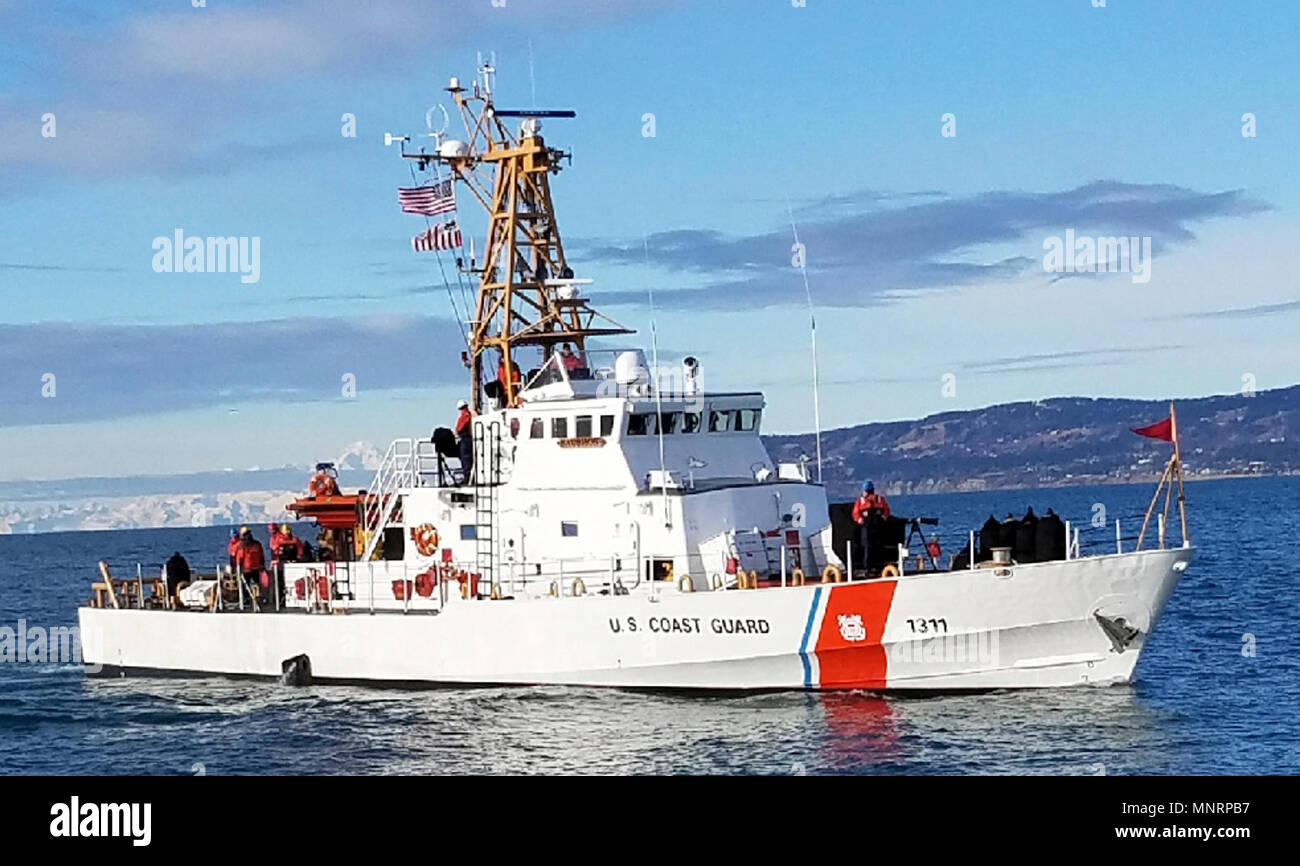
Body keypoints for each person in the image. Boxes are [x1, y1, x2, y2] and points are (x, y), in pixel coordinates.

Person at [852, 481, 891, 574]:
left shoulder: (878, 500)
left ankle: (875, 568)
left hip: (876, 526)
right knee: (868, 548)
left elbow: (886, 511)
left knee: (875, 547)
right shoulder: (863, 501)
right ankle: (869, 568)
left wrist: (883, 518)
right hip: (868, 526)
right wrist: (861, 520)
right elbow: (855, 514)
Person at [233, 526, 266, 598]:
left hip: (248, 569)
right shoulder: (256, 544)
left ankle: (248, 599)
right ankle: (254, 598)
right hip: (253, 568)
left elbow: (239, 558)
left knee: (246, 586)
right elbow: (261, 556)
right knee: (254, 585)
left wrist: (238, 567)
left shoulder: (243, 546)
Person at [454, 399, 474, 484]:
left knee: (465, 458)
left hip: (466, 439)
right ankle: (468, 476)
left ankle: (467, 477)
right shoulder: (469, 415)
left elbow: (459, 428)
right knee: (467, 458)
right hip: (468, 439)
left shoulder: (465, 416)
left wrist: (457, 432)